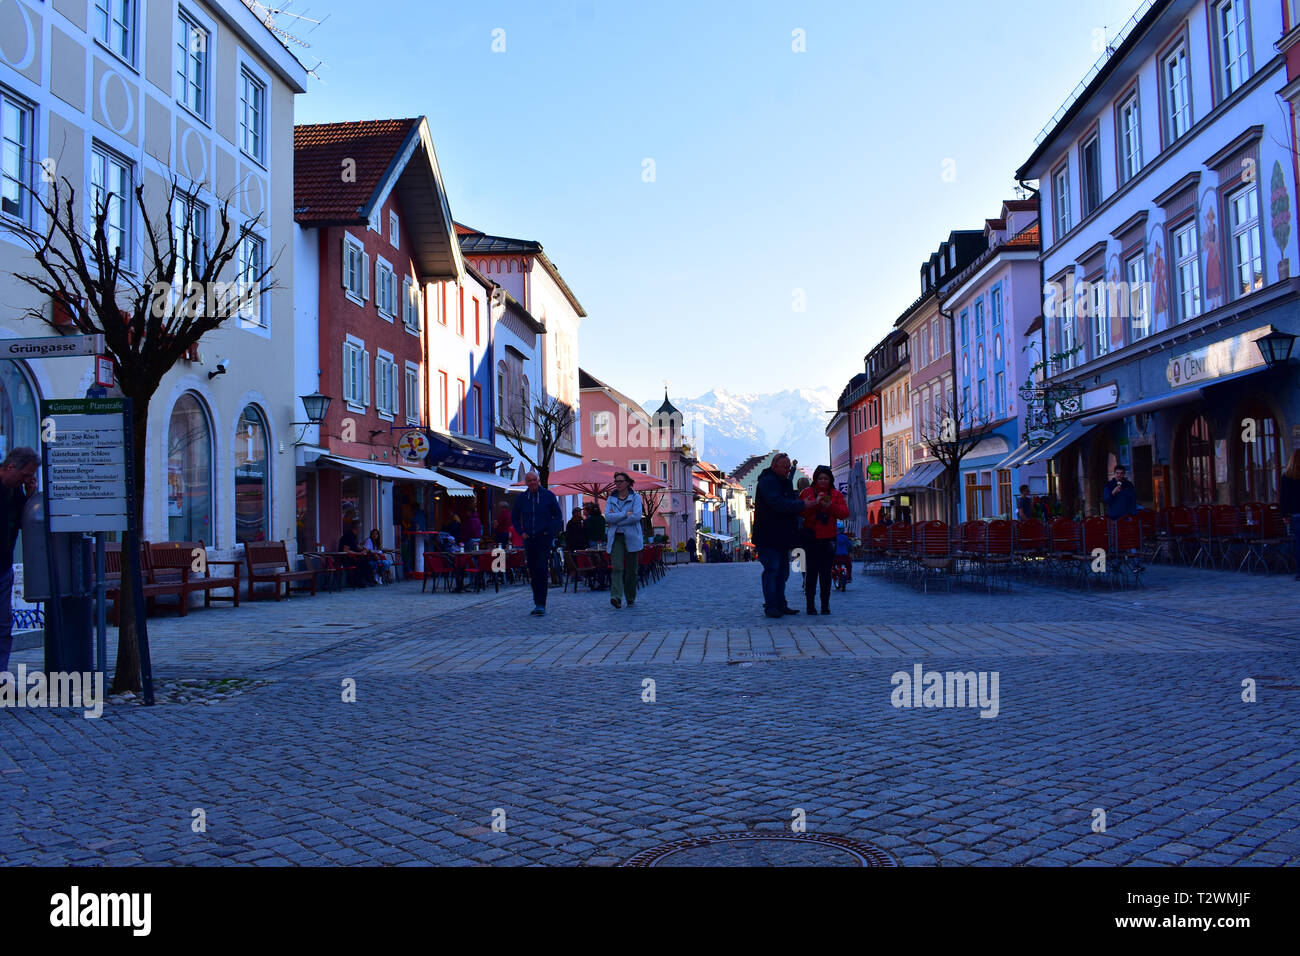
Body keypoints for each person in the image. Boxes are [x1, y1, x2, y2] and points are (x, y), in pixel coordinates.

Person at [752, 453, 810, 618]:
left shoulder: (780, 481)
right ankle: (771, 606)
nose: (787, 470)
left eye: (788, 467)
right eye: (785, 467)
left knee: (782, 571)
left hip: (781, 536)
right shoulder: (768, 482)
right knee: (772, 570)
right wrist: (802, 505)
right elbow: (778, 504)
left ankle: (780, 604)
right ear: (774, 466)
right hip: (769, 535)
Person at [0, 448, 38, 674]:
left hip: (3, 567)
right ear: (10, 466)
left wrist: (30, 496)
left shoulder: (16, 493)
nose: (26, 480)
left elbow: (25, 525)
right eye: (25, 475)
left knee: (3, 625)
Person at [798, 465, 849, 615]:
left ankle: (825, 605)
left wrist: (830, 506)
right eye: (820, 478)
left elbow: (844, 514)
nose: (823, 481)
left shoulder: (835, 494)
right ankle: (810, 605)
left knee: (826, 573)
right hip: (811, 537)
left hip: (828, 538)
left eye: (826, 478)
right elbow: (800, 511)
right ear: (815, 479)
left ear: (830, 479)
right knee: (811, 572)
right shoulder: (807, 493)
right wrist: (814, 504)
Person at [512, 471, 563, 615]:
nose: (533, 483)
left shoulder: (548, 496)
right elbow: (515, 517)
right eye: (529, 481)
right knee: (533, 571)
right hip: (530, 539)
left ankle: (541, 603)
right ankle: (537, 602)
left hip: (544, 538)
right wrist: (521, 532)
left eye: (534, 480)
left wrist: (550, 531)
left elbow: (558, 516)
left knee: (541, 569)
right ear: (526, 483)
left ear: (538, 480)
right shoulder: (522, 498)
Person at [604, 472, 643, 608]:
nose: (618, 484)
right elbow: (608, 517)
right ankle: (616, 597)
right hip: (616, 537)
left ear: (627, 482)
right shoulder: (611, 499)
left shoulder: (636, 498)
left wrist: (617, 519)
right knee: (618, 568)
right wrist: (624, 515)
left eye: (620, 481)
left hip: (632, 537)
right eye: (616, 481)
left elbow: (637, 516)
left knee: (631, 570)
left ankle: (630, 597)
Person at [338, 520, 378, 587]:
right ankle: (362, 582)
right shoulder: (349, 536)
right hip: (347, 559)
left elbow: (356, 546)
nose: (360, 529)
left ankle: (367, 581)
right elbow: (345, 550)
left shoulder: (354, 536)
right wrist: (359, 554)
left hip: (353, 557)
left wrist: (364, 549)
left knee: (368, 560)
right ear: (357, 528)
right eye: (360, 527)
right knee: (365, 563)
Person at [1281, 451, 1300, 581]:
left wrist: (1284, 514)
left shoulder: (1287, 477)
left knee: (1299, 544)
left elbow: (1284, 498)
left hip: (1296, 514)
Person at [564, 507, 587, 576]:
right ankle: (575, 573)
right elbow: (569, 533)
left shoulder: (582, 521)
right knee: (575, 558)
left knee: (580, 557)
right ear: (575, 513)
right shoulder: (571, 522)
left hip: (580, 543)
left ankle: (580, 572)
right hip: (574, 543)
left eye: (580, 512)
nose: (580, 513)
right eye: (578, 512)